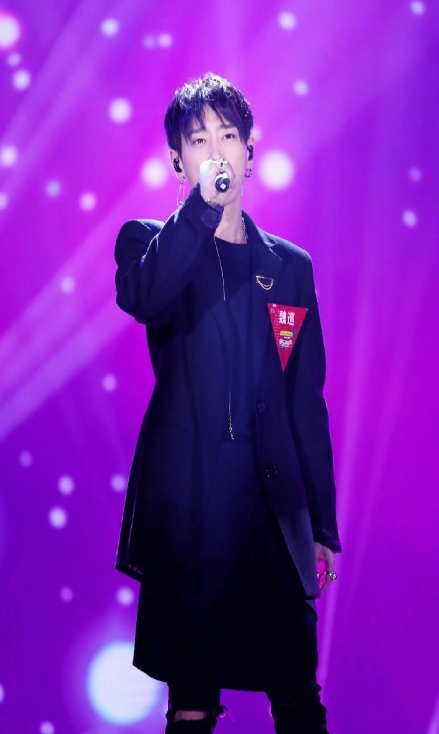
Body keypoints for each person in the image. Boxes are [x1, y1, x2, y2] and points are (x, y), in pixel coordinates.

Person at [114, 72, 341, 734]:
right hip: (192, 513)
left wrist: (322, 524)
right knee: (192, 704)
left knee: (297, 695)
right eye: (199, 140)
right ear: (177, 161)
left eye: (228, 136)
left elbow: (306, 402)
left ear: (249, 151)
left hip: (273, 512)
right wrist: (200, 212)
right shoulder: (148, 242)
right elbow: (145, 298)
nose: (216, 151)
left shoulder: (289, 267)